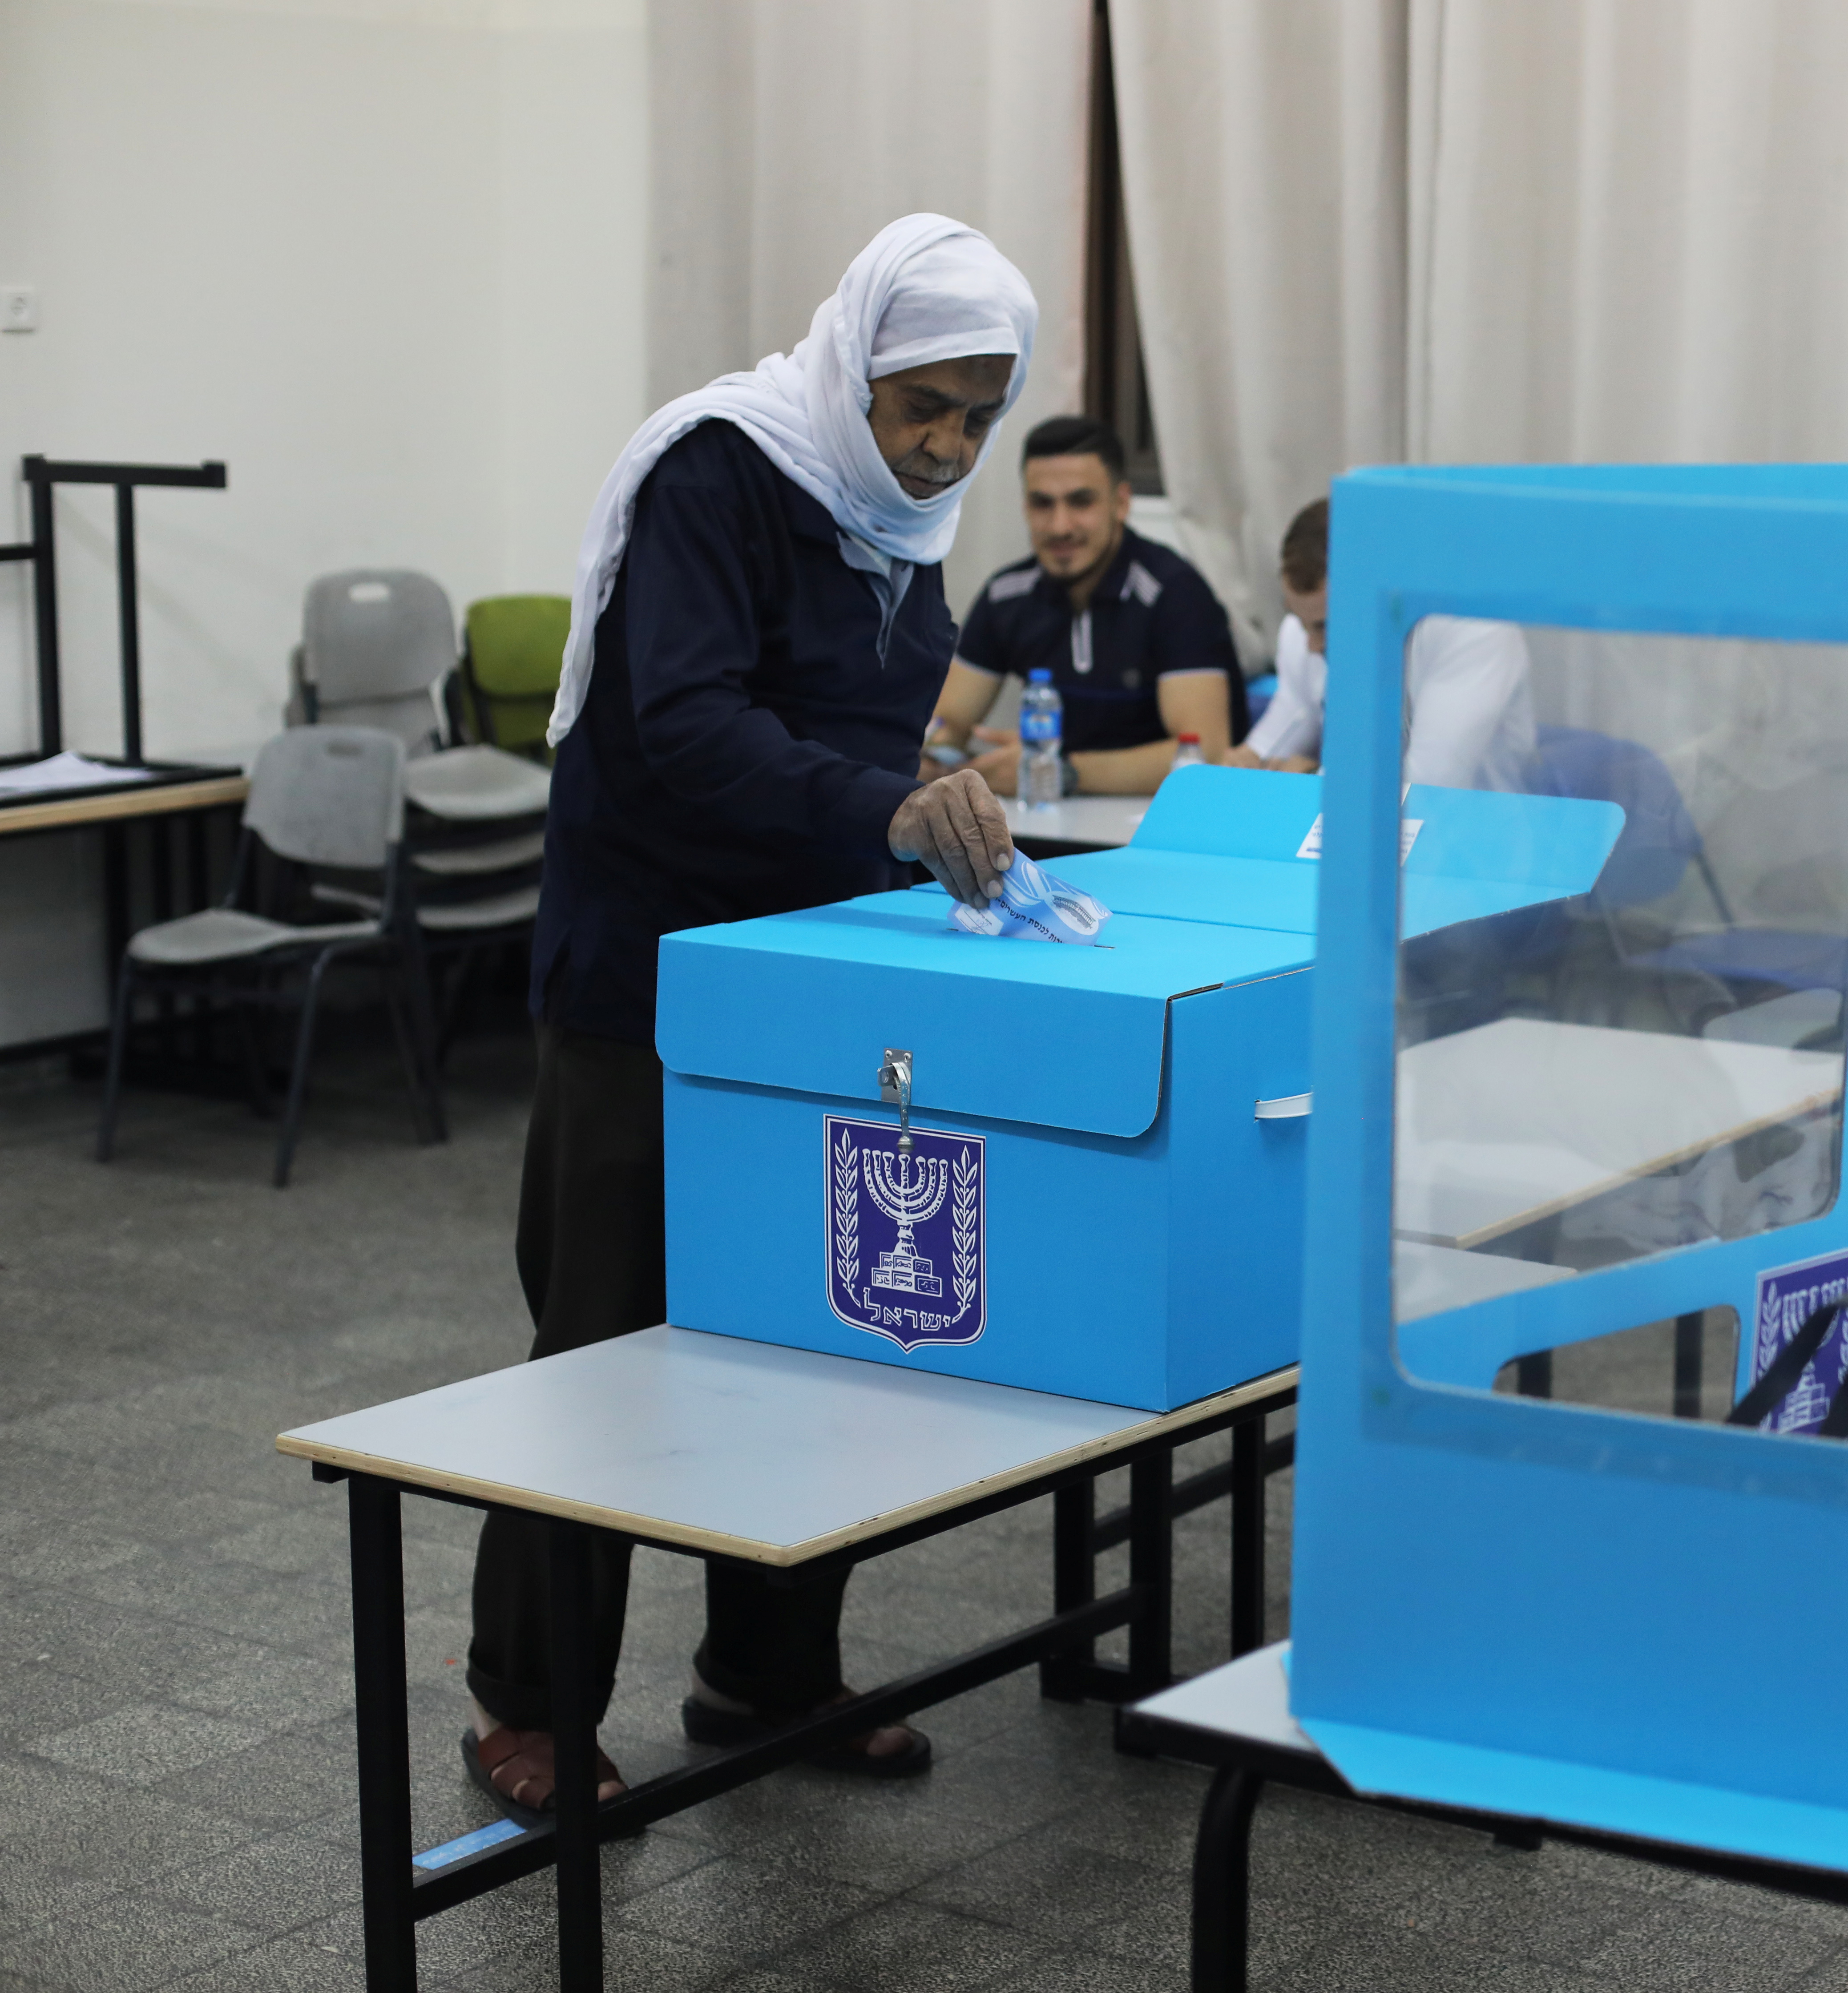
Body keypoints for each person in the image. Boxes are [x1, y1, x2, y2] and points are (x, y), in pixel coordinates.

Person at [472, 214, 1036, 1823]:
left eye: (978, 411)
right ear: (853, 361)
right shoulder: (718, 473)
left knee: (815, 1322)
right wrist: (888, 807)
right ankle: (528, 1698)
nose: (946, 442)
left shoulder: (897, 519)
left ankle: (767, 1667)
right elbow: (686, 725)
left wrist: (928, 796)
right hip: (645, 968)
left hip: (803, 969)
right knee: (606, 1338)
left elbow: (864, 723)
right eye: (921, 402)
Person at [925, 414, 1243, 795]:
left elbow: (1203, 754)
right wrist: (940, 757)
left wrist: (1059, 771)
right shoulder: (1006, 595)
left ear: (1121, 503)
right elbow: (947, 723)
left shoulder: (1176, 594)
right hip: (1047, 826)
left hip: (1162, 832)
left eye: (1081, 502)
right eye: (1043, 504)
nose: (1060, 526)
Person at [1220, 496, 1537, 791]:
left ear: (1387, 596)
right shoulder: (1301, 634)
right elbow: (1283, 729)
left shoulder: (1474, 626)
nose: (1312, 647)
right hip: (1347, 832)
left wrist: (1309, 779)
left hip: (1478, 836)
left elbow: (1429, 787)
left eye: (1326, 627)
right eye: (1300, 620)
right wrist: (1245, 764)